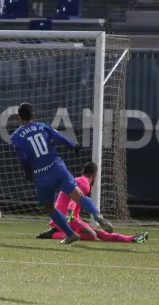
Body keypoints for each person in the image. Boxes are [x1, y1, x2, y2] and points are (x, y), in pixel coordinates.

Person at [9, 103, 115, 245]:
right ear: (32, 116)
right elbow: (59, 137)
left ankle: (70, 234)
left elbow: (23, 159)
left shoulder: (16, 136)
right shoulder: (42, 126)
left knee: (50, 207)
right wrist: (73, 145)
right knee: (79, 196)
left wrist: (28, 174)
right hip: (57, 168)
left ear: (19, 118)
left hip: (42, 176)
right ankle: (97, 214)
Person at [36, 163, 148, 243]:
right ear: (95, 175)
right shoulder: (84, 183)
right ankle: (53, 234)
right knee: (92, 235)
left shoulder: (77, 180)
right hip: (66, 218)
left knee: (100, 233)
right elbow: (73, 200)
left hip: (70, 217)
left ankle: (133, 238)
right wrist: (69, 215)